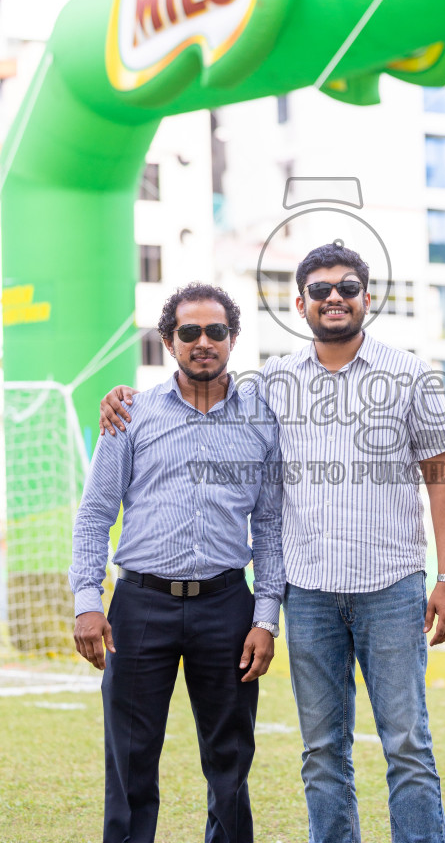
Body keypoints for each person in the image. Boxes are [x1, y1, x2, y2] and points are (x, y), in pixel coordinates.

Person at [100, 245, 445, 843]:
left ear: (367, 298)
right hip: (311, 594)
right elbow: (201, 389)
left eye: (347, 287)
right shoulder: (272, 385)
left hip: (392, 588)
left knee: (407, 746)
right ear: (300, 304)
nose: (334, 298)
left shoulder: (411, 376)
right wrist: (124, 398)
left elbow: (443, 478)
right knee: (322, 752)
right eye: (319, 290)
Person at [71, 283, 285, 843]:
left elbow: (269, 527)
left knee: (230, 761)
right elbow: (95, 513)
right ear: (169, 341)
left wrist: (265, 618)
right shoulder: (129, 414)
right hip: (139, 607)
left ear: (232, 339)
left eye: (216, 330)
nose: (203, 341)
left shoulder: (262, 420)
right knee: (131, 762)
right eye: (189, 331)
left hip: (226, 607)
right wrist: (86, 604)